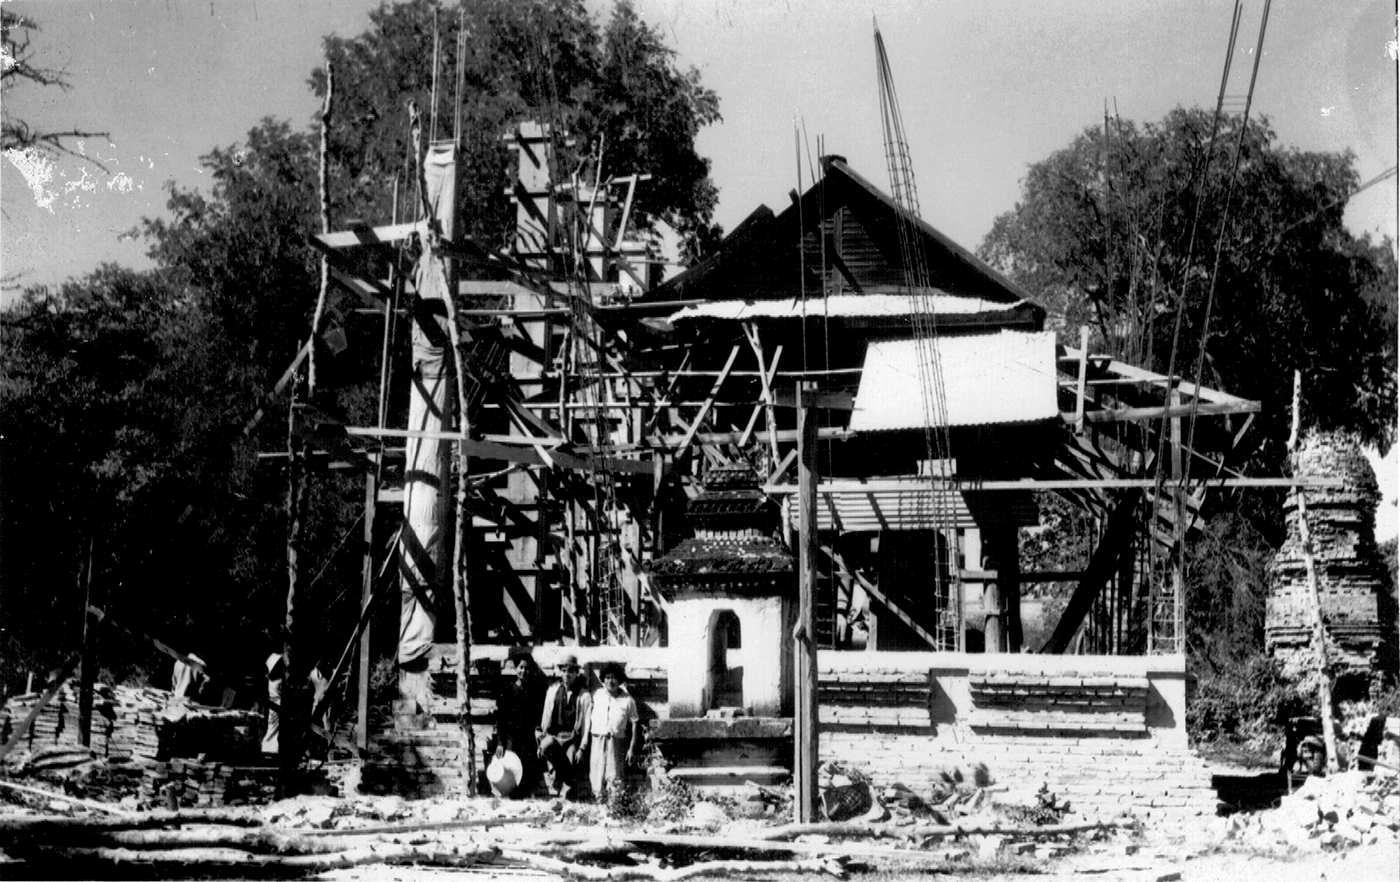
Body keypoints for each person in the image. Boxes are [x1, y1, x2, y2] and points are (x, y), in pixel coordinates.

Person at [492, 647, 546, 797]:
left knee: (527, 766)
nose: (524, 671)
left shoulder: (535, 692)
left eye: (527, 668)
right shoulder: (508, 691)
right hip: (511, 738)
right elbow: (501, 719)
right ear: (515, 669)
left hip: (528, 738)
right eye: (521, 667)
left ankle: (523, 793)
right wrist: (500, 742)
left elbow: (538, 717)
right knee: (510, 764)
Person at [537, 654, 591, 798]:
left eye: (571, 671)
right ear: (561, 672)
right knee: (546, 744)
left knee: (571, 760)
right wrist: (541, 741)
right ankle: (561, 783)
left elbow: (586, 724)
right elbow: (545, 717)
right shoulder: (553, 691)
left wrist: (582, 748)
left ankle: (564, 789)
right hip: (554, 737)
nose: (567, 674)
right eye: (564, 671)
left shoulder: (584, 696)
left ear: (576, 673)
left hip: (571, 740)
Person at [586, 662, 639, 802]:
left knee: (615, 775)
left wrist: (631, 749)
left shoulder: (628, 700)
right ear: (603, 680)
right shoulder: (597, 695)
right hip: (597, 740)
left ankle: (614, 805)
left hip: (616, 742)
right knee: (597, 775)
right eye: (608, 677)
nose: (611, 681)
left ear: (619, 680)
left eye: (614, 677)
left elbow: (635, 724)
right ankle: (599, 803)